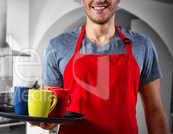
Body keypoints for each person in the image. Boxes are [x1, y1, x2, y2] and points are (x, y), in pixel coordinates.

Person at [30, 0, 170, 133]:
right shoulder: (58, 46)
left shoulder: (142, 45)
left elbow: (155, 111)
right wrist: (46, 120)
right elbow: (52, 110)